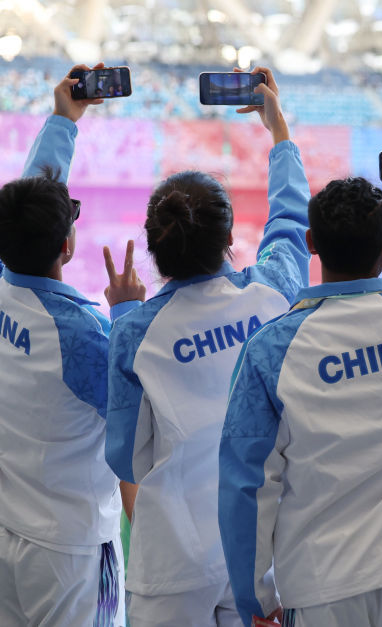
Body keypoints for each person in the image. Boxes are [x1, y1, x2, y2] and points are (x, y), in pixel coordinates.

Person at [217, 147, 382, 627]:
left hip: (323, 587)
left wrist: (256, 596)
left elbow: (247, 484)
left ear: (311, 242)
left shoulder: (270, 350)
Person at [103, 67, 310, 627]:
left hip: (173, 559)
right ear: (229, 238)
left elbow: (126, 458)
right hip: (261, 552)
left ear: (153, 249)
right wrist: (279, 132)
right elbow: (290, 225)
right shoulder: (270, 294)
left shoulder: (136, 332)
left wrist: (124, 313)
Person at [0, 64, 134, 627]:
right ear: (68, 246)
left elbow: (22, 209)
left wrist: (63, 121)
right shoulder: (82, 335)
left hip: (10, 528)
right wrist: (126, 312)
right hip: (71, 554)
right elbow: (141, 411)